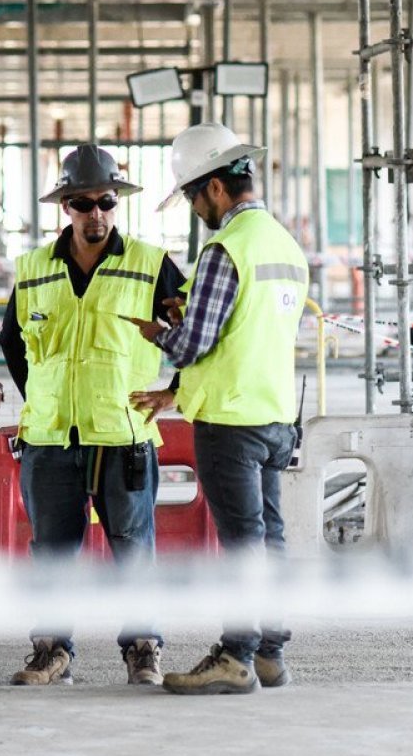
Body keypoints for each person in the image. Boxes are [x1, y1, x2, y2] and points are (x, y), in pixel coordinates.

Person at [127, 123, 309, 696]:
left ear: (213, 189)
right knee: (269, 538)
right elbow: (247, 339)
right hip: (274, 415)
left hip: (231, 426)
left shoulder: (225, 249)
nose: (192, 208)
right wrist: (178, 392)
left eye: (189, 195)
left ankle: (235, 655)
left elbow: (195, 342)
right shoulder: (284, 243)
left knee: (240, 542)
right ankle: (271, 652)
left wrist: (158, 332)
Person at [0, 144, 187, 686]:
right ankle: (52, 651)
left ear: (116, 202)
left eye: (105, 201)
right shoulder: (34, 269)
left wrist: (179, 390)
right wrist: (41, 399)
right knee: (52, 552)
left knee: (133, 548)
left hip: (123, 435)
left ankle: (143, 649)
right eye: (83, 204)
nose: (95, 213)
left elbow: (199, 335)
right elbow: (12, 340)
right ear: (66, 208)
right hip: (50, 438)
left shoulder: (151, 265)